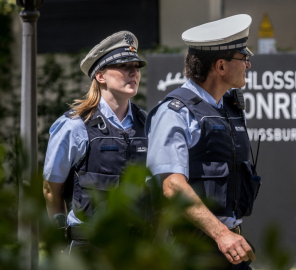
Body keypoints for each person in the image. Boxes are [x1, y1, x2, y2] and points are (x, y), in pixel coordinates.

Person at [146, 14, 259, 269]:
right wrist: (222, 234)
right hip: (191, 251)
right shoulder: (175, 112)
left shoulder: (229, 108)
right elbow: (172, 186)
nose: (248, 65)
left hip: (228, 246)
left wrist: (226, 236)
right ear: (220, 66)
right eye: (243, 58)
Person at [42, 31, 148, 255]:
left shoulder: (148, 125)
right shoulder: (74, 126)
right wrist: (59, 242)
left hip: (138, 250)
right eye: (124, 66)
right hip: (89, 249)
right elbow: (51, 190)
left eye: (136, 66)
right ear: (100, 76)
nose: (134, 72)